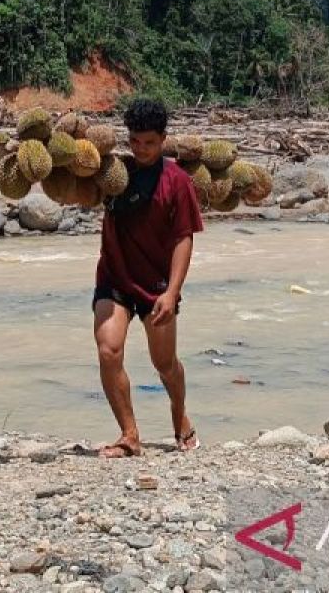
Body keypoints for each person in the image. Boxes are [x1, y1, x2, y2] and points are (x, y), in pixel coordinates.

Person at [92, 99, 203, 458]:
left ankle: (178, 413)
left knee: (165, 365)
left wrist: (172, 292)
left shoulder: (177, 182)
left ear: (163, 140)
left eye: (150, 143)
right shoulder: (112, 173)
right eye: (135, 142)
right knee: (109, 350)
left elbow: (183, 238)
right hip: (115, 277)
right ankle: (130, 435)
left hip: (157, 285)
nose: (141, 150)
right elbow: (70, 179)